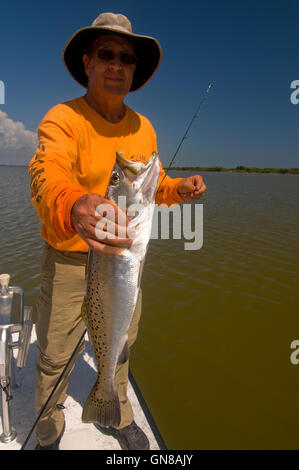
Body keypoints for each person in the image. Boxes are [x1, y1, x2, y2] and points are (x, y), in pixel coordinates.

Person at [29, 12, 207, 451]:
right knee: (53, 356)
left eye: (126, 57)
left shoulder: (144, 128)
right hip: (72, 261)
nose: (116, 64)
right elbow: (44, 177)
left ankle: (116, 411)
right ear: (87, 62)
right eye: (106, 54)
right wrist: (74, 204)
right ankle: (49, 432)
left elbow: (149, 186)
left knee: (120, 347)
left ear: (134, 69)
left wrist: (177, 189)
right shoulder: (63, 119)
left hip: (126, 262)